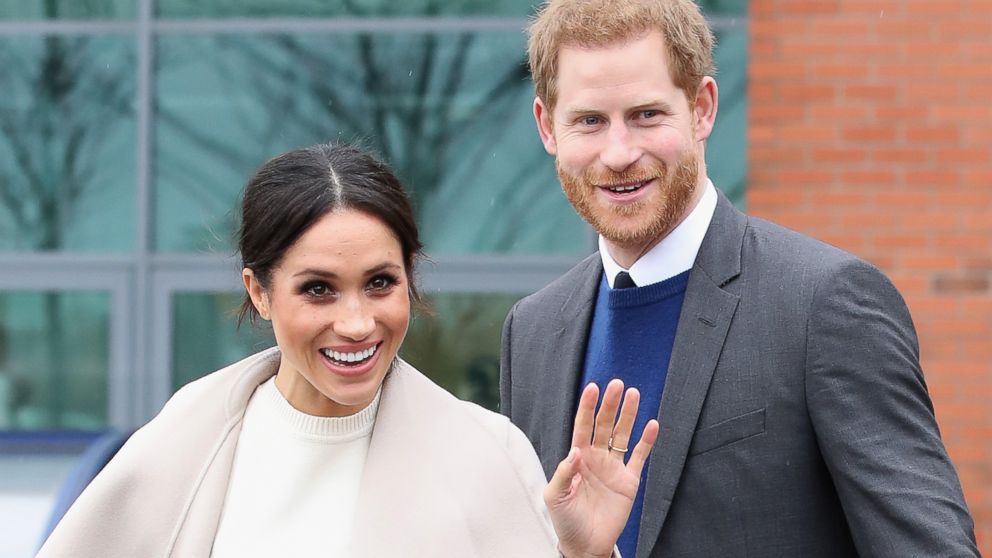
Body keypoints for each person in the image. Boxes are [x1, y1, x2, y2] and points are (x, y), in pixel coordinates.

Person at [499, 1, 979, 557]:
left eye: (647, 115)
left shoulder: (822, 304)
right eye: (589, 121)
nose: (619, 153)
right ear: (546, 127)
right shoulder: (530, 333)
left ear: (702, 109)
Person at [37, 142, 659, 558]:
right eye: (318, 290)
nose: (357, 322)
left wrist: (584, 556)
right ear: (258, 291)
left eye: (380, 283)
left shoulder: (490, 458)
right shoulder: (176, 449)